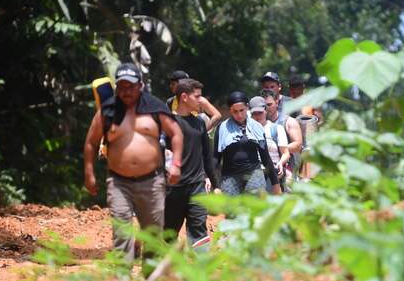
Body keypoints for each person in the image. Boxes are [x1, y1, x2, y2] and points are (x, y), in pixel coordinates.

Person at [83, 62, 184, 268]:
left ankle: (151, 278)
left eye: (130, 86)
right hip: (118, 182)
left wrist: (176, 164)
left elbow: (176, 134)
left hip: (152, 181)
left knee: (152, 234)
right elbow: (91, 142)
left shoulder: (155, 107)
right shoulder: (108, 110)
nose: (126, 91)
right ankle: (122, 280)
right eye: (121, 87)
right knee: (122, 231)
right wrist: (89, 172)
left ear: (140, 85)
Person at [164, 79, 218, 248]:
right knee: (168, 234)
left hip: (197, 187)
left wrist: (216, 184)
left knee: (199, 231)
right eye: (198, 97)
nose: (201, 101)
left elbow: (207, 157)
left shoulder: (200, 123)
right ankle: (166, 271)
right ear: (184, 97)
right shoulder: (168, 123)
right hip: (173, 189)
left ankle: (202, 271)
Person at [214, 91, 280, 196]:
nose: (239, 115)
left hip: (254, 173)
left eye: (242, 110)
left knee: (254, 208)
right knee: (231, 211)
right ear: (230, 110)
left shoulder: (257, 127)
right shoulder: (222, 128)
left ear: (247, 107)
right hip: (230, 176)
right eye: (235, 111)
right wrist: (213, 183)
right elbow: (216, 157)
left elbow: (265, 157)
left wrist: (275, 183)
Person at [262, 89, 303, 187]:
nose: (266, 108)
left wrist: (276, 149)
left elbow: (298, 144)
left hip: (287, 170)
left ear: (277, 102)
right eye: (263, 106)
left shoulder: (288, 121)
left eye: (269, 104)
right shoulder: (257, 123)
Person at [250, 95, 289, 192]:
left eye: (260, 113)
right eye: (255, 113)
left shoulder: (276, 129)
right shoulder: (246, 130)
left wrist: (280, 163)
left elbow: (285, 152)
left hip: (273, 173)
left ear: (265, 111)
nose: (257, 116)